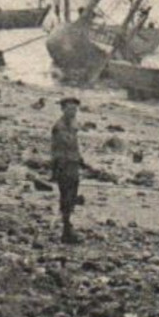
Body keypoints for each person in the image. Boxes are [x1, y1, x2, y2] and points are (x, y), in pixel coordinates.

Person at [51, 97, 85, 244]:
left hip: (73, 165)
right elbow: (57, 150)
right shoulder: (59, 127)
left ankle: (67, 227)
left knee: (72, 197)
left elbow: (75, 146)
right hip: (64, 166)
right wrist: (56, 170)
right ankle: (66, 230)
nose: (73, 112)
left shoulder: (73, 125)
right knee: (66, 197)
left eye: (75, 109)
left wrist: (80, 160)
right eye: (70, 109)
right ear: (63, 109)